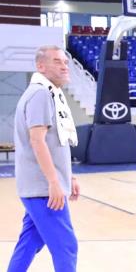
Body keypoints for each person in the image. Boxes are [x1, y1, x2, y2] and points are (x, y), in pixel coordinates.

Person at [8, 46, 80, 272]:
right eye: (57, 61)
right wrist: (53, 182)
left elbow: (54, 142)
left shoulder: (49, 92)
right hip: (43, 188)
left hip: (41, 185)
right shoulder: (40, 93)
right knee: (66, 246)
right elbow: (37, 141)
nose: (64, 66)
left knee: (30, 242)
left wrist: (69, 175)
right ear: (41, 66)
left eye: (66, 62)